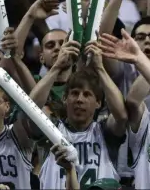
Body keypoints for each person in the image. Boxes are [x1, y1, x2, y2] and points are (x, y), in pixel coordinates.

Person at [29, 41, 128, 189]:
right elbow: (31, 109)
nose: (80, 99)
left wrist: (100, 68)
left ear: (98, 103)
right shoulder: (52, 130)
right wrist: (57, 67)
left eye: (87, 94)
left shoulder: (105, 132)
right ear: (64, 98)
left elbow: (121, 115)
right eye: (74, 93)